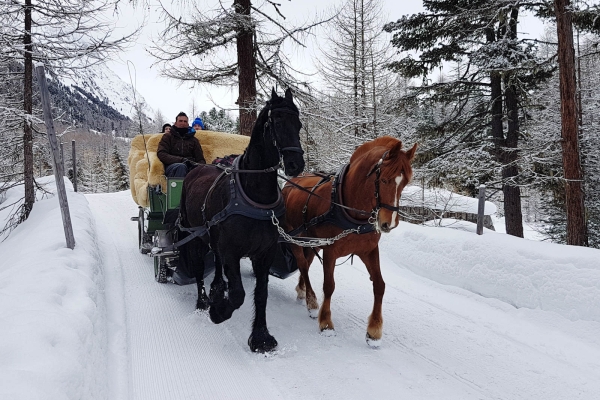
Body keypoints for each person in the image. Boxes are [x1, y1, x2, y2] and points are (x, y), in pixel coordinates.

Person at [157, 112, 206, 177]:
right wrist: (181, 160)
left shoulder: (194, 140)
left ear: (188, 124)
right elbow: (161, 153)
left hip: (190, 167)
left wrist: (198, 166)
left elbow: (200, 159)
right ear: (175, 123)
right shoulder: (167, 137)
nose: (183, 123)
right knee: (181, 167)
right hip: (172, 167)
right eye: (180, 121)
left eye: (185, 121)